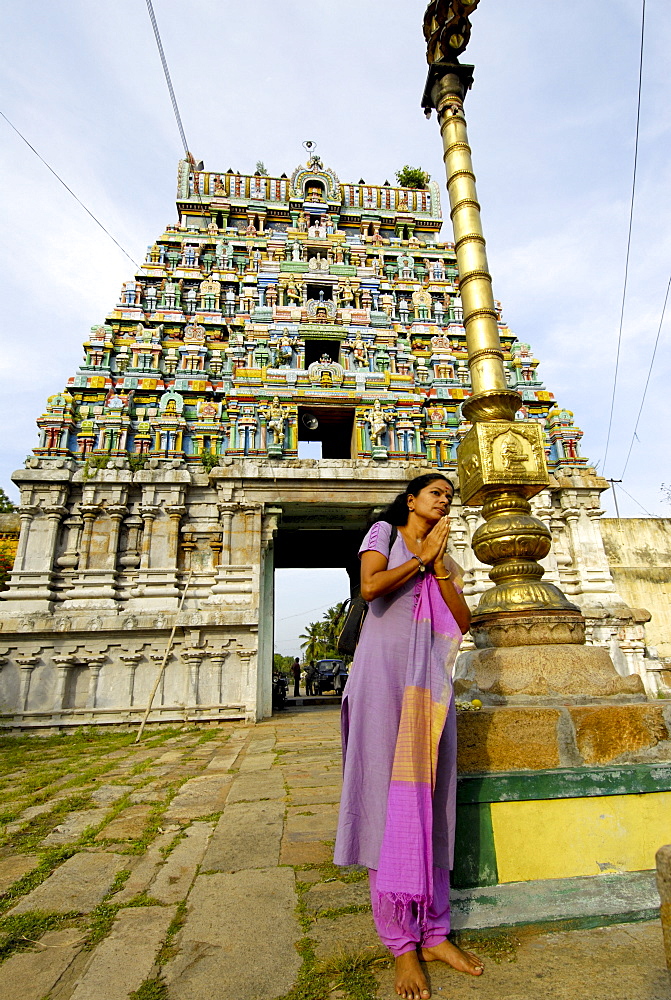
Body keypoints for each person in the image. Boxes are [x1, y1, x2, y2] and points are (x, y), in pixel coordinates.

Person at [334, 474, 484, 1000]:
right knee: (385, 801)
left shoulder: (444, 557)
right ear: (412, 500)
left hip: (428, 686)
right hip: (381, 679)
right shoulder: (383, 534)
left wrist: (441, 567)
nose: (444, 500)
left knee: (432, 800)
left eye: (449, 495)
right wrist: (421, 559)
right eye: (435, 492)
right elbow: (370, 587)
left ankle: (436, 933)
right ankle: (402, 944)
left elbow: (462, 621)